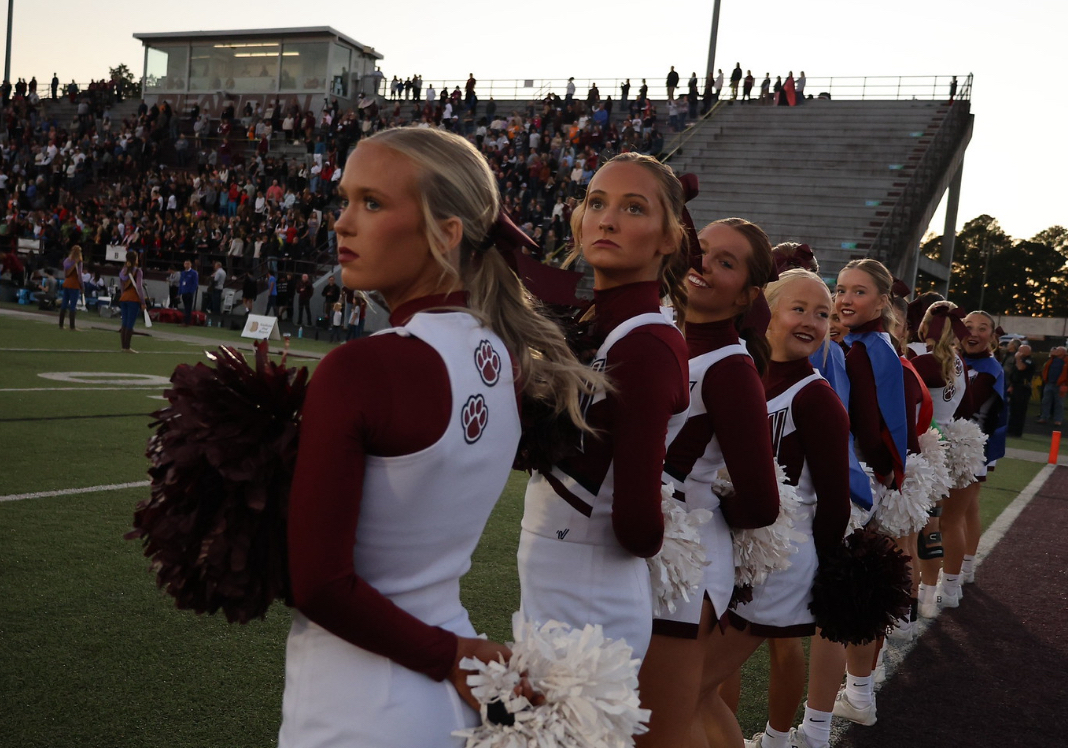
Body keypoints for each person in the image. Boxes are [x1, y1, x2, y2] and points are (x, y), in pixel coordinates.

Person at [279, 126, 593, 748]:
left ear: (448, 233)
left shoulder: (363, 368)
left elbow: (319, 584)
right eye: (344, 199)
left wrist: (451, 655)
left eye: (372, 203)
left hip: (355, 704)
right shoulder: (505, 357)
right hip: (451, 696)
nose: (342, 223)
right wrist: (455, 655)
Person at [518, 152, 691, 665]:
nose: (608, 219)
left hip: (592, 594)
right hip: (561, 578)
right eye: (597, 203)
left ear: (668, 238)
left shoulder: (646, 343)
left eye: (634, 208)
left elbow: (637, 526)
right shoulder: (595, 322)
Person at [636, 217, 780, 748]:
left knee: (659, 725)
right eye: (702, 251)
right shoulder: (663, 332)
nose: (703, 264)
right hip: (650, 547)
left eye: (726, 262)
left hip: (682, 564)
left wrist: (691, 515)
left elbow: (762, 501)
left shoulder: (731, 370)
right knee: (695, 702)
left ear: (747, 295)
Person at [727, 270, 850, 748]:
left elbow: (835, 502)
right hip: (736, 549)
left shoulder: (817, 399)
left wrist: (825, 573)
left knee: (697, 680)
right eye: (799, 308)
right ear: (767, 314)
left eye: (823, 313)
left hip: (783, 562)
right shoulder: (745, 377)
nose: (813, 321)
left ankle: (779, 737)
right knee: (707, 680)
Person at [829, 258, 909, 729]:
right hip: (870, 474)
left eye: (859, 292)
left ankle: (856, 694)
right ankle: (860, 687)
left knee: (846, 592)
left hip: (863, 477)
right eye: (840, 289)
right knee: (858, 587)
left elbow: (872, 427)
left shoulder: (865, 349)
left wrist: (874, 476)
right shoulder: (865, 342)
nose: (844, 299)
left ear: (882, 301)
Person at [959, 311, 1008, 587]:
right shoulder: (955, 359)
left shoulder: (991, 369)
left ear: (992, 336)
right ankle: (960, 563)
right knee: (959, 510)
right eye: (968, 326)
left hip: (973, 446)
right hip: (950, 441)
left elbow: (968, 404)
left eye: (982, 328)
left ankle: (965, 566)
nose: (974, 333)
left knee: (965, 509)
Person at [118, 251, 146, 353]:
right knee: (130, 323)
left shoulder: (123, 271)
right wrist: (143, 302)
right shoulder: (138, 271)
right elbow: (139, 287)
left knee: (124, 322)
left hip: (124, 298)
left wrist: (123, 296)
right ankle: (127, 347)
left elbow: (121, 287)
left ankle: (123, 346)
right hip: (133, 298)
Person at [1006, 343, 1035, 436]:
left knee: (1019, 411)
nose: (1018, 352)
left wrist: (1018, 358)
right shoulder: (1019, 360)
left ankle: (1017, 432)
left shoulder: (1029, 361)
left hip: (1023, 388)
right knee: (1013, 410)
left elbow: (1021, 368)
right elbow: (1014, 374)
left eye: (1021, 350)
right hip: (1015, 386)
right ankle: (1010, 429)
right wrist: (1011, 385)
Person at [1039, 346, 1067, 426]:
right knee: (1046, 401)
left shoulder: (1066, 361)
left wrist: (1065, 384)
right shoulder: (1052, 360)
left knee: (1059, 403)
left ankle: (1058, 419)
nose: (1056, 351)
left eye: (1058, 350)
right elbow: (1045, 369)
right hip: (1049, 383)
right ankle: (1044, 417)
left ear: (1063, 352)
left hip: (1060, 385)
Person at [59, 245, 85, 330]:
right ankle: (72, 326)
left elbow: (65, 274)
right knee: (73, 305)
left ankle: (61, 324)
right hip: (74, 284)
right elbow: (80, 276)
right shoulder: (79, 262)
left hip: (66, 283)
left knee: (64, 303)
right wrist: (82, 286)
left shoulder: (67, 260)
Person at [178, 259, 198, 326]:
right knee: (185, 307)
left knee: (188, 307)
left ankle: (187, 322)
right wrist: (179, 292)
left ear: (190, 265)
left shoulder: (194, 273)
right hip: (184, 292)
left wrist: (191, 291)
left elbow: (195, 283)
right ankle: (184, 321)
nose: (186, 265)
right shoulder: (183, 273)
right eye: (185, 264)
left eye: (187, 264)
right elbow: (181, 283)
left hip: (189, 292)